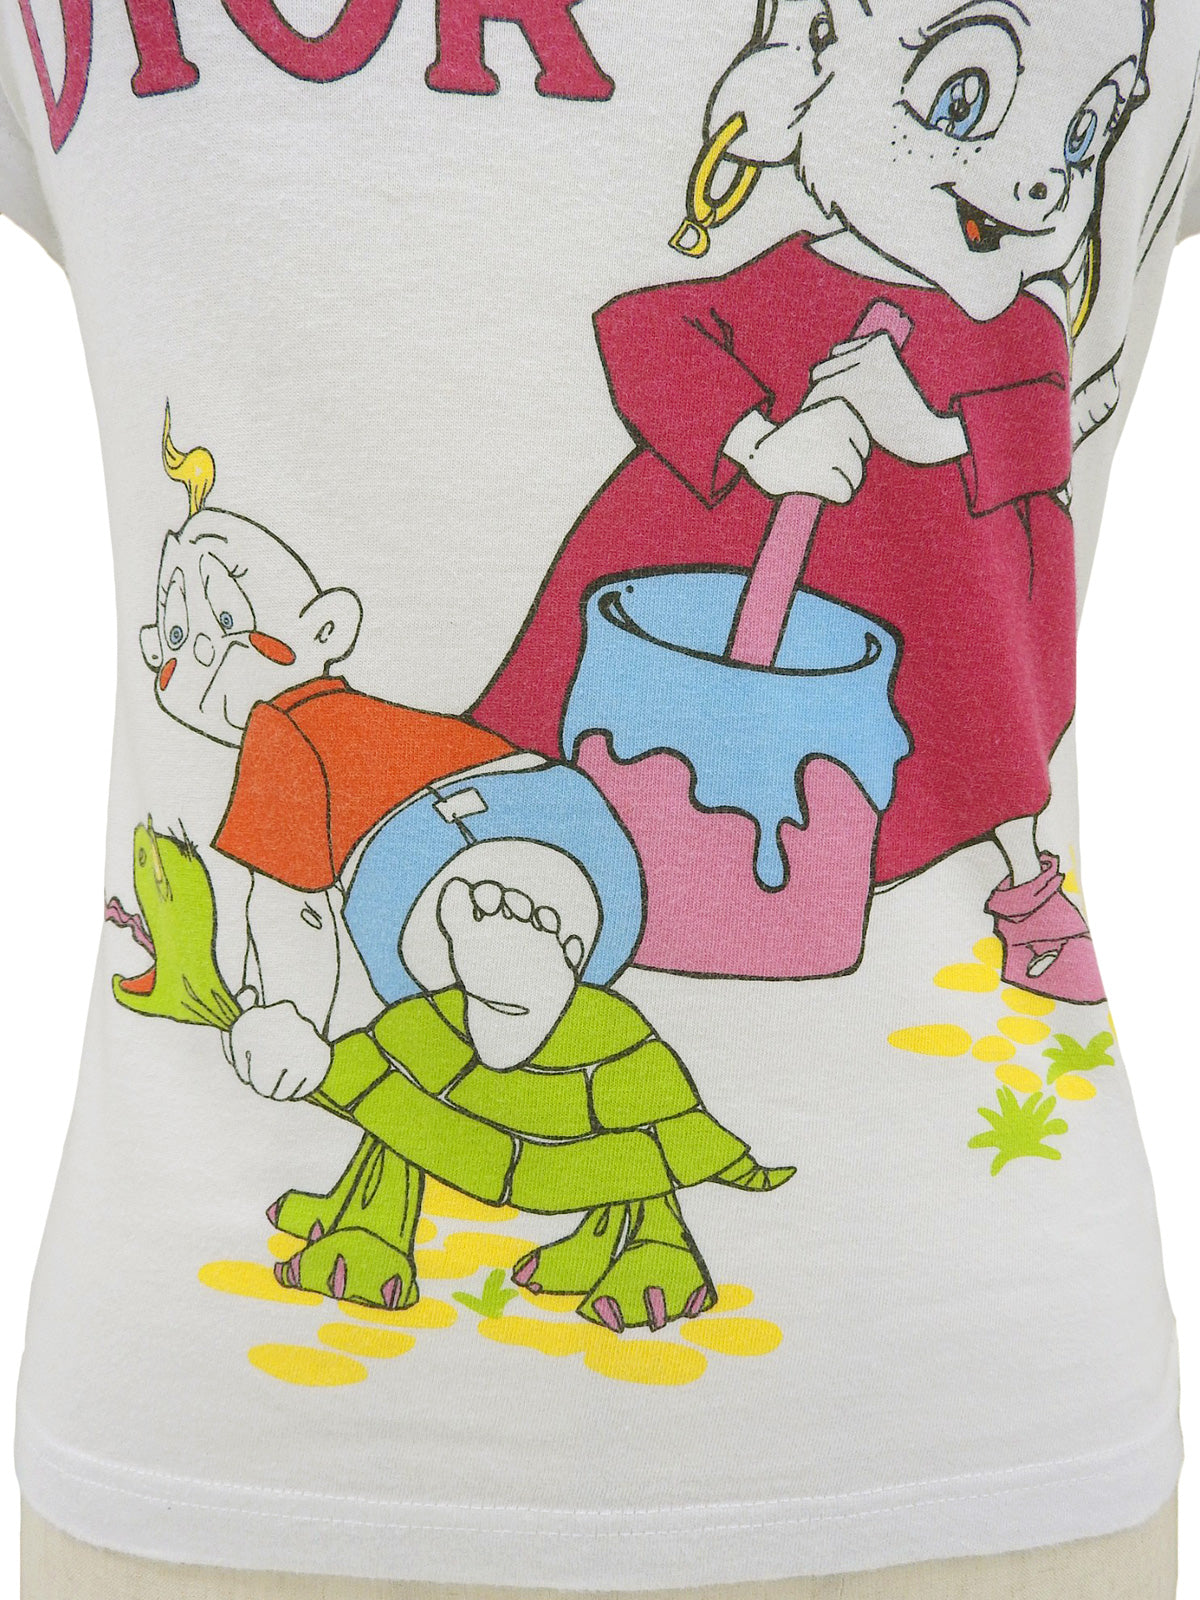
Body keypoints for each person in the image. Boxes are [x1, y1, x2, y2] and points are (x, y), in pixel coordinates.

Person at [472, 0, 1157, 1004]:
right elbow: (649, 332)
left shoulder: (1015, 325)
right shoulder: (789, 278)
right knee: (616, 705)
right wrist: (759, 443)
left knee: (975, 733)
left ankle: (1024, 889)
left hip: (942, 605)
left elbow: (1037, 433)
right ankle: (536, 836)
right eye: (962, 100)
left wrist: (923, 430)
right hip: (721, 552)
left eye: (1083, 135)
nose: (1046, 181)